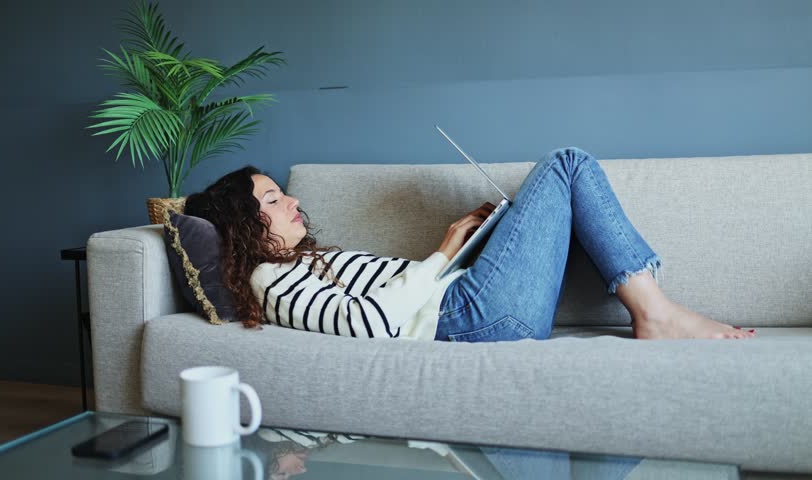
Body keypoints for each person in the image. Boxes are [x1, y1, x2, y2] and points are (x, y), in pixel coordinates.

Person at [184, 147, 756, 341]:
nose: (291, 202)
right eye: (273, 199)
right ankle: (654, 314)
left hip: (473, 303)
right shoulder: (269, 278)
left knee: (564, 172)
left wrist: (464, 244)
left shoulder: (307, 260)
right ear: (246, 224)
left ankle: (654, 311)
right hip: (468, 315)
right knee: (567, 163)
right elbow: (368, 323)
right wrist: (441, 251)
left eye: (283, 192)